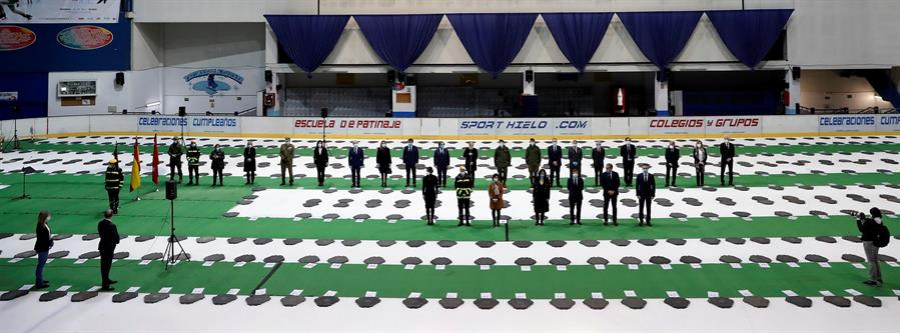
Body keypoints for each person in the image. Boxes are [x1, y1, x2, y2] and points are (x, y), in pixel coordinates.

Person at [857, 208, 887, 286]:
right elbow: (870, 225)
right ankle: (878, 277)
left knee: (871, 261)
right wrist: (865, 219)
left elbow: (862, 229)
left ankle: (873, 280)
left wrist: (857, 219)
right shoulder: (879, 221)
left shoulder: (870, 221)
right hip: (876, 242)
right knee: (875, 260)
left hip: (868, 242)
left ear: (872, 214)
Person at [98, 210, 120, 291]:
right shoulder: (112, 225)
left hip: (102, 245)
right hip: (109, 247)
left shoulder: (100, 223)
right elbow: (116, 237)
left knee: (104, 265)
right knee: (107, 266)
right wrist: (116, 241)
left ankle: (106, 280)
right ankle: (105, 285)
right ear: (111, 215)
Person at [33, 211, 52, 289]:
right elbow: (42, 239)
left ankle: (40, 280)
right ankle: (39, 283)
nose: (49, 217)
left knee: (41, 265)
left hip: (44, 247)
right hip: (42, 248)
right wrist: (49, 242)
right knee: (41, 265)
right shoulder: (41, 227)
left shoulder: (44, 224)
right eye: (48, 216)